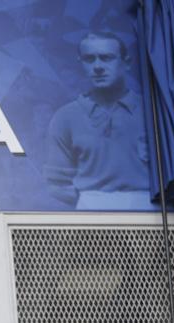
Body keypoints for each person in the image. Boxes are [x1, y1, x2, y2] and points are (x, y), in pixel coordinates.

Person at [44, 31, 151, 209]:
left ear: (127, 62)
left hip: (150, 211)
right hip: (93, 217)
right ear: (81, 64)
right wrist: (89, 202)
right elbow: (57, 184)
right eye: (89, 59)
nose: (98, 66)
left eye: (107, 58)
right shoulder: (66, 117)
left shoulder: (150, 112)